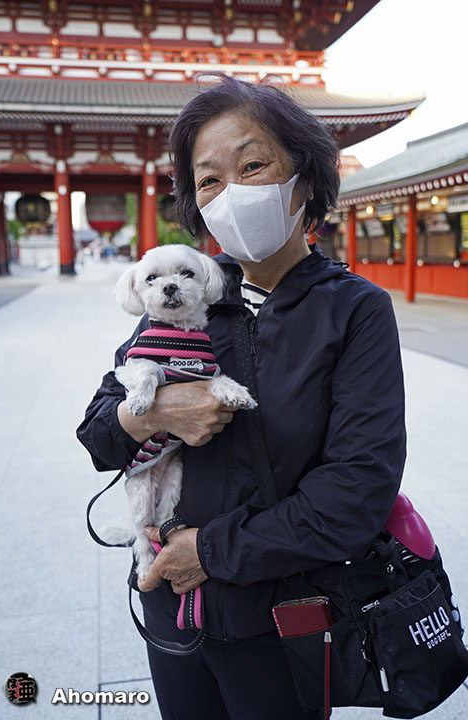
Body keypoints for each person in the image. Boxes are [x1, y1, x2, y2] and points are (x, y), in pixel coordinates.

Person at [77, 74, 406, 720]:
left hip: (282, 622)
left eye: (252, 166)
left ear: (304, 178)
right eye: (208, 180)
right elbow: (97, 436)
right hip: (169, 611)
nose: (229, 192)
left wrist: (205, 552)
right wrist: (154, 413)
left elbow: (357, 490)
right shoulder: (183, 300)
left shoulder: (355, 311)